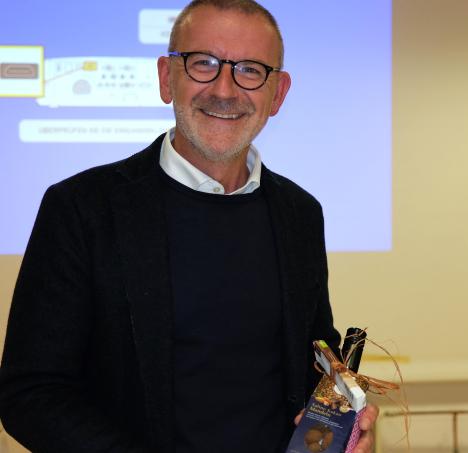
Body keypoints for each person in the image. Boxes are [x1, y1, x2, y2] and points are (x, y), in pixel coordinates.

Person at [0, 0, 377, 451]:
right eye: (204, 64)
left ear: (277, 94)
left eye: (251, 70)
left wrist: (340, 413)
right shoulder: (82, 209)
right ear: (166, 77)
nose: (225, 89)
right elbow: (31, 393)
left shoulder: (300, 212)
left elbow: (316, 355)